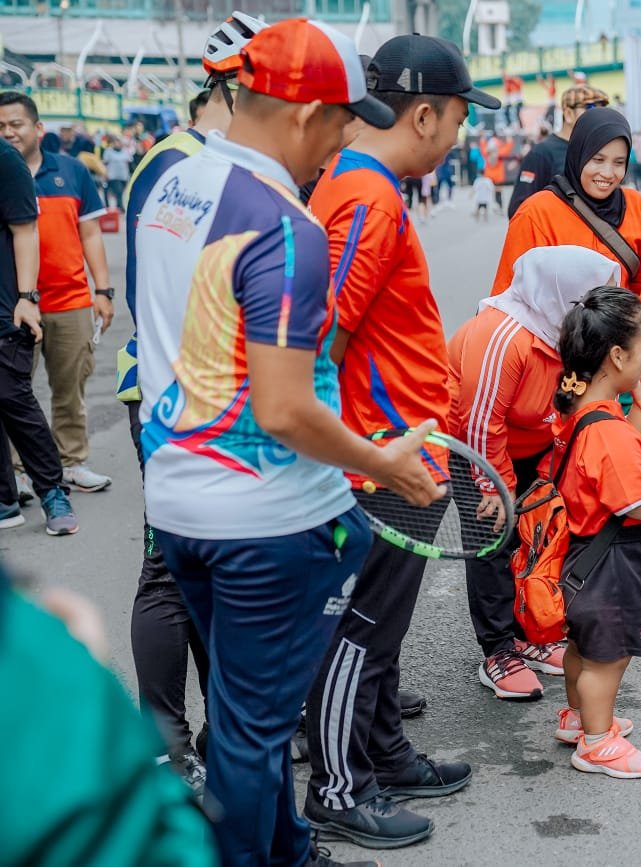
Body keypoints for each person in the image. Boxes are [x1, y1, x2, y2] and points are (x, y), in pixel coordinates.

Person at [133, 19, 439, 865]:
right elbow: (283, 408)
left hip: (179, 499)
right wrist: (385, 463)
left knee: (245, 718)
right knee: (248, 738)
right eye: (344, 121)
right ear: (307, 116)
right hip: (268, 522)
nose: (345, 141)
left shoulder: (161, 182)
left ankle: (290, 851)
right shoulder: (287, 226)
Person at [300, 34, 494, 848]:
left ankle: (381, 751)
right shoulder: (368, 197)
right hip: (386, 453)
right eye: (455, 120)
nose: (458, 137)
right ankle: (339, 786)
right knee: (363, 625)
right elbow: (321, 340)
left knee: (384, 624)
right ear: (422, 115)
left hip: (401, 444)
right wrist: (358, 453)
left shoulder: (360, 185)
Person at [119, 11, 266, 796]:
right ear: (237, 86)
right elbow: (164, 299)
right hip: (180, 399)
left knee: (196, 571)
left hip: (186, 397)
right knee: (169, 573)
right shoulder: (180, 163)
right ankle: (167, 744)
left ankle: (210, 735)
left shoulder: (187, 159)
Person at [449, 247, 621, 702]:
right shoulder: (504, 335)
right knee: (493, 539)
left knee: (535, 538)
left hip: (533, 447)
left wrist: (549, 475)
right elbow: (480, 421)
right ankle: (498, 650)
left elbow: (569, 409)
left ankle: (528, 634)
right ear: (560, 295)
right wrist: (497, 488)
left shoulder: (573, 335)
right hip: (476, 451)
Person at [551, 285, 641, 778]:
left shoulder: (585, 409)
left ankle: (576, 718)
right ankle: (597, 742)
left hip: (584, 558)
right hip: (612, 565)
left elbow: (605, 471)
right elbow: (631, 498)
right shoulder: (607, 432)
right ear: (616, 354)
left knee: (583, 648)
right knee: (608, 660)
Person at [0, 567, 218, 866]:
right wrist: (87, 702)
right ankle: (176, 754)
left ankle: (183, 750)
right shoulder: (28, 648)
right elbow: (153, 852)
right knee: (179, 575)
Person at [0, 92, 114, 494]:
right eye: (1, 126)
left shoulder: (71, 170)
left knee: (70, 389)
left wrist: (103, 290)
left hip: (70, 301)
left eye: (16, 124)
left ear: (38, 128)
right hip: (13, 305)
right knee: (13, 395)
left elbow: (91, 233)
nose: (9, 132)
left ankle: (71, 462)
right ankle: (16, 472)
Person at [0, 136, 78, 536]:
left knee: (12, 396)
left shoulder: (4, 158)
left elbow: (25, 230)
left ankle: (52, 492)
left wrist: (28, 296)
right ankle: (5, 499)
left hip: (5, 306)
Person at [492, 108, 641, 295]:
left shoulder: (635, 205)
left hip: (618, 324)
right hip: (552, 325)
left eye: (618, 163)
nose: (607, 173)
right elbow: (507, 294)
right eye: (597, 159)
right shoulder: (536, 213)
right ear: (578, 154)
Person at [507, 84, 609, 217]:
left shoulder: (597, 151)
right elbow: (519, 209)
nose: (597, 115)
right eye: (590, 107)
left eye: (603, 109)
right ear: (568, 114)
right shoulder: (541, 153)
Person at [102, 135, 132, 208]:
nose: (117, 144)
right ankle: (120, 206)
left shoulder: (125, 151)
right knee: (118, 190)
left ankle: (119, 206)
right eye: (116, 142)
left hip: (123, 176)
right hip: (112, 176)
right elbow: (105, 163)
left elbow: (129, 163)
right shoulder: (108, 151)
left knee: (121, 192)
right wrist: (104, 174)